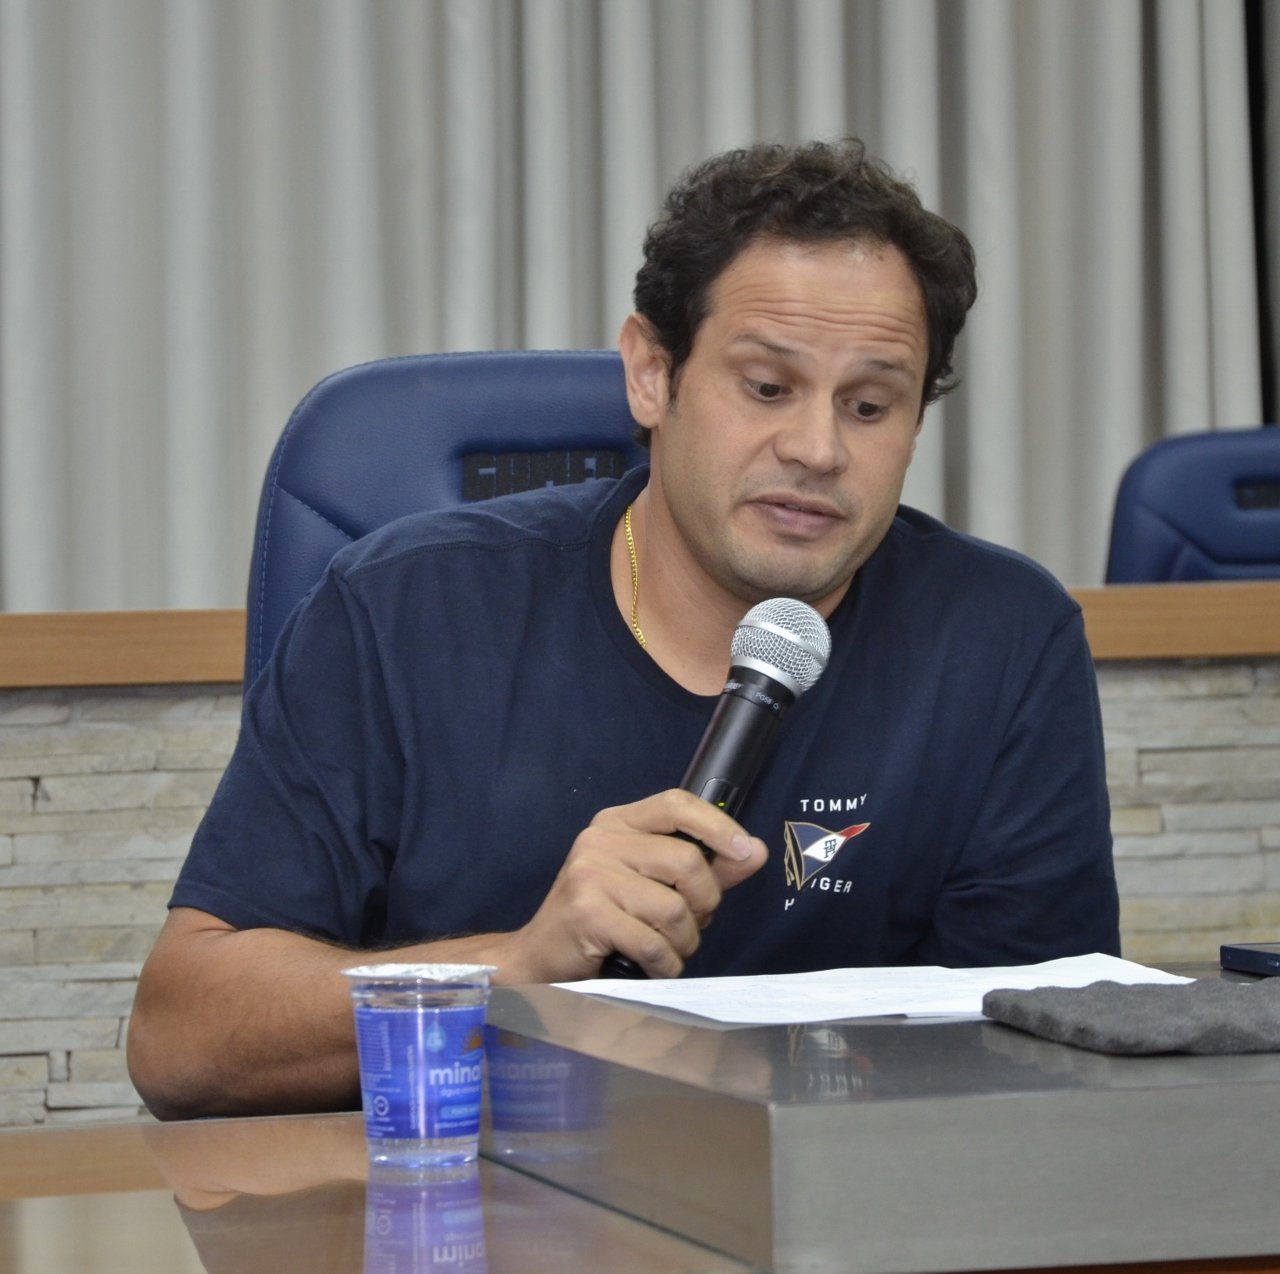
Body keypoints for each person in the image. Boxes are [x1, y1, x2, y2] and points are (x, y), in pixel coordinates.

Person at [127, 138, 1119, 1121]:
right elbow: (181, 1039)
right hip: (469, 1199)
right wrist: (519, 969)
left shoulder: (1001, 642)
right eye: (767, 387)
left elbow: (1044, 1071)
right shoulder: (405, 607)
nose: (817, 448)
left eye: (868, 405)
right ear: (651, 373)